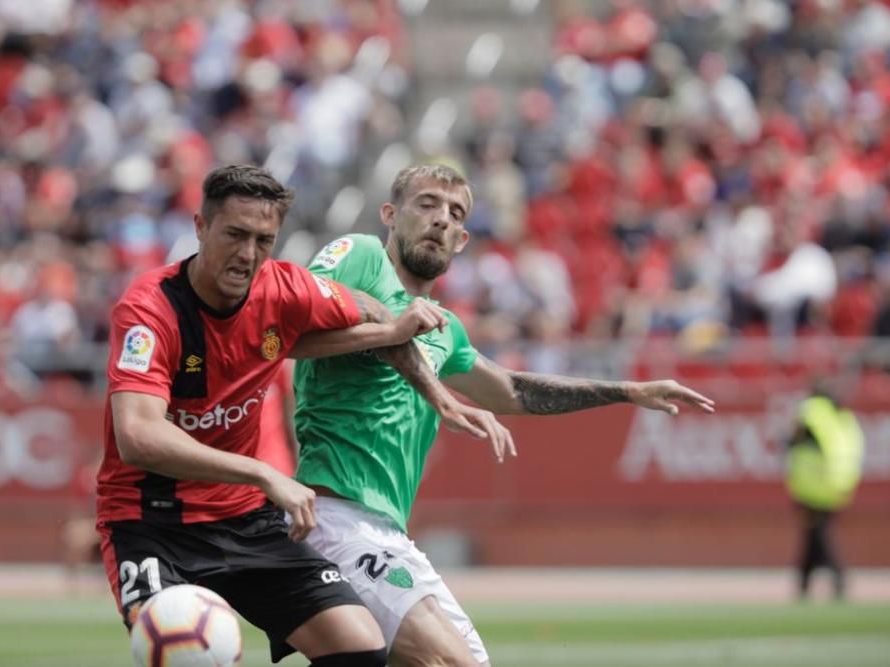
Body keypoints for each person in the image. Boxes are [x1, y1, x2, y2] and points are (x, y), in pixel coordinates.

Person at [292, 164, 716, 666]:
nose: (441, 220)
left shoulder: (445, 329)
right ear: (390, 214)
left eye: (455, 213)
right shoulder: (361, 256)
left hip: (389, 532)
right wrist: (390, 331)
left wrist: (626, 389)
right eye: (426, 204)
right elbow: (288, 322)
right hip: (334, 516)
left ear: (463, 239)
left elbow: (512, 389)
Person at [96, 164, 510, 667]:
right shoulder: (149, 310)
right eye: (235, 235)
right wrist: (263, 472)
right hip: (150, 523)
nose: (248, 255)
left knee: (360, 645)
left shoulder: (284, 288)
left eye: (264, 240)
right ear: (201, 228)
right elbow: (138, 435)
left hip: (242, 519)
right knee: (188, 654)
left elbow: (378, 313)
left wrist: (436, 394)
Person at [786, 381, 865, 600]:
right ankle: (803, 583)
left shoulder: (811, 411)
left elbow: (792, 437)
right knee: (813, 534)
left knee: (819, 534)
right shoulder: (844, 417)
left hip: (813, 487)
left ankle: (839, 577)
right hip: (839, 484)